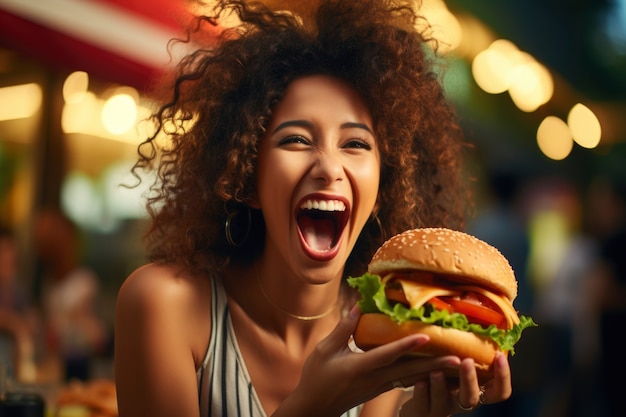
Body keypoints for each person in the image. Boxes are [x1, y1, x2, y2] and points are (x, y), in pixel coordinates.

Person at [114, 1, 513, 416]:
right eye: (296, 140)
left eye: (356, 144)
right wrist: (311, 408)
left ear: (383, 190)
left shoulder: (386, 336)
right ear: (246, 177)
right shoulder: (163, 304)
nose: (328, 167)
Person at [33, 208, 107, 382]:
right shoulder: (46, 282)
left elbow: (94, 337)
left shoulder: (84, 282)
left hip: (77, 365)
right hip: (53, 366)